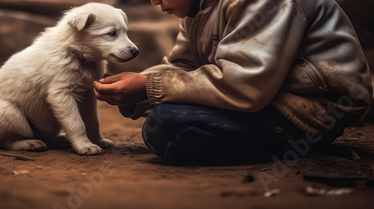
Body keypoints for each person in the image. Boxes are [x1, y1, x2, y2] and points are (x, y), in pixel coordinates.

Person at [93, 0, 372, 164]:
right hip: (267, 98)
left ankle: (304, 146)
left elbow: (245, 84)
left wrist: (147, 87)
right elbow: (184, 66)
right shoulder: (197, 9)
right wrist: (140, 84)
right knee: (165, 118)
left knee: (168, 125)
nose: (154, 1)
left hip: (308, 111)